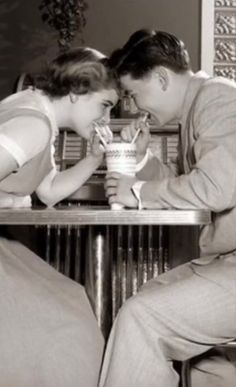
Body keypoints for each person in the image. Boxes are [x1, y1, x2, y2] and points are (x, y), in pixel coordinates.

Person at [100, 29, 236, 387]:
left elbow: (216, 188)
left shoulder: (218, 100)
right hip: (225, 261)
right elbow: (184, 184)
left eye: (133, 94)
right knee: (148, 300)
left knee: (141, 318)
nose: (132, 106)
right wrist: (142, 160)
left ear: (161, 78)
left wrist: (138, 191)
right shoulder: (197, 108)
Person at [0, 47, 118, 387]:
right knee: (67, 326)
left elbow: (49, 191)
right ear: (76, 92)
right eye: (105, 106)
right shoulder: (33, 124)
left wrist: (94, 158)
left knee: (68, 304)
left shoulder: (39, 115)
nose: (106, 120)